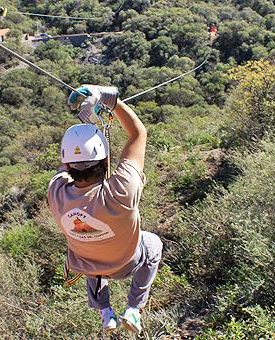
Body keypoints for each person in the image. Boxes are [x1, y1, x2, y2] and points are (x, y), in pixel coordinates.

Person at [47, 85, 163, 334]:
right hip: (126, 263)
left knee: (86, 248)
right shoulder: (120, 192)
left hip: (87, 263)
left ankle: (105, 312)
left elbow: (65, 166)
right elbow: (138, 134)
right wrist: (111, 100)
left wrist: (86, 127)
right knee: (152, 245)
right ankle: (134, 308)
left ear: (67, 164)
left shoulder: (56, 194)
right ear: (105, 160)